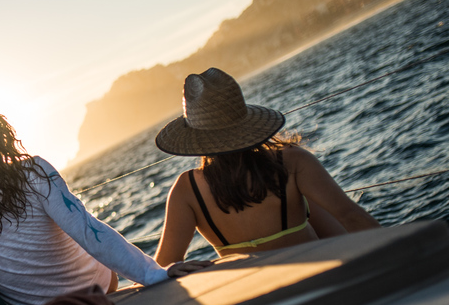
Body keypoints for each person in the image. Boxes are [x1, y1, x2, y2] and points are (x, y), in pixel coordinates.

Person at [0, 100, 211, 305]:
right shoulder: (33, 172)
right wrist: (155, 274)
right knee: (101, 264)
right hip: (98, 290)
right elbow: (87, 231)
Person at [153, 68, 381, 265]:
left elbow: (164, 265)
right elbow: (351, 216)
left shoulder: (187, 189)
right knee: (307, 204)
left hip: (257, 295)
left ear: (195, 137)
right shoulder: (292, 160)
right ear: (245, 121)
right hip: (319, 272)